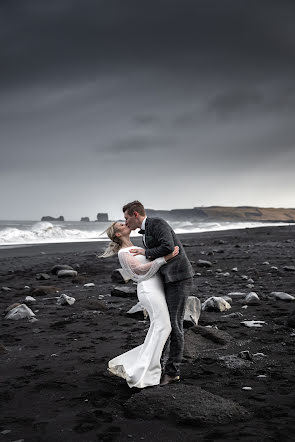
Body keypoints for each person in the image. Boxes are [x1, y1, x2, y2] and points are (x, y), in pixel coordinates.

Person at [100, 221, 179, 388]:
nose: (126, 223)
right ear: (118, 234)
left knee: (159, 327)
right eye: (121, 224)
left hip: (156, 288)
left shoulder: (136, 247)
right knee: (163, 327)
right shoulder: (123, 253)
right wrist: (165, 258)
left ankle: (145, 369)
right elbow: (140, 271)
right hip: (149, 291)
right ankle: (147, 372)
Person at [123, 200, 194, 386]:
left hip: (179, 278)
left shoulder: (157, 223)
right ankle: (160, 367)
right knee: (166, 324)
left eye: (126, 217)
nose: (126, 222)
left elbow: (168, 247)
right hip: (168, 280)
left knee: (175, 324)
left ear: (135, 214)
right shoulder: (145, 232)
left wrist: (146, 252)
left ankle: (172, 372)